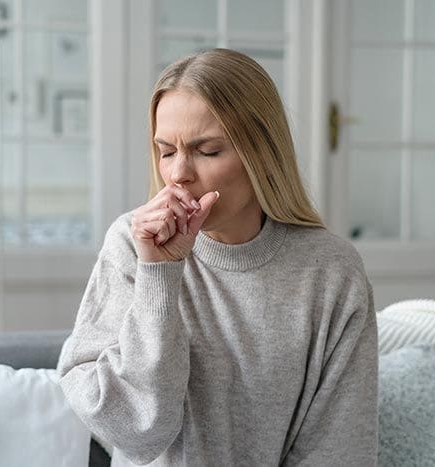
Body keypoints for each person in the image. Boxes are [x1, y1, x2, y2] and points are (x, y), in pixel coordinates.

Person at [57, 48, 377, 466]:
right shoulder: (130, 243)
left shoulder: (332, 272)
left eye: (207, 151)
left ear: (261, 153)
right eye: (166, 150)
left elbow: (340, 451)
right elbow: (136, 434)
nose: (178, 174)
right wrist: (158, 272)